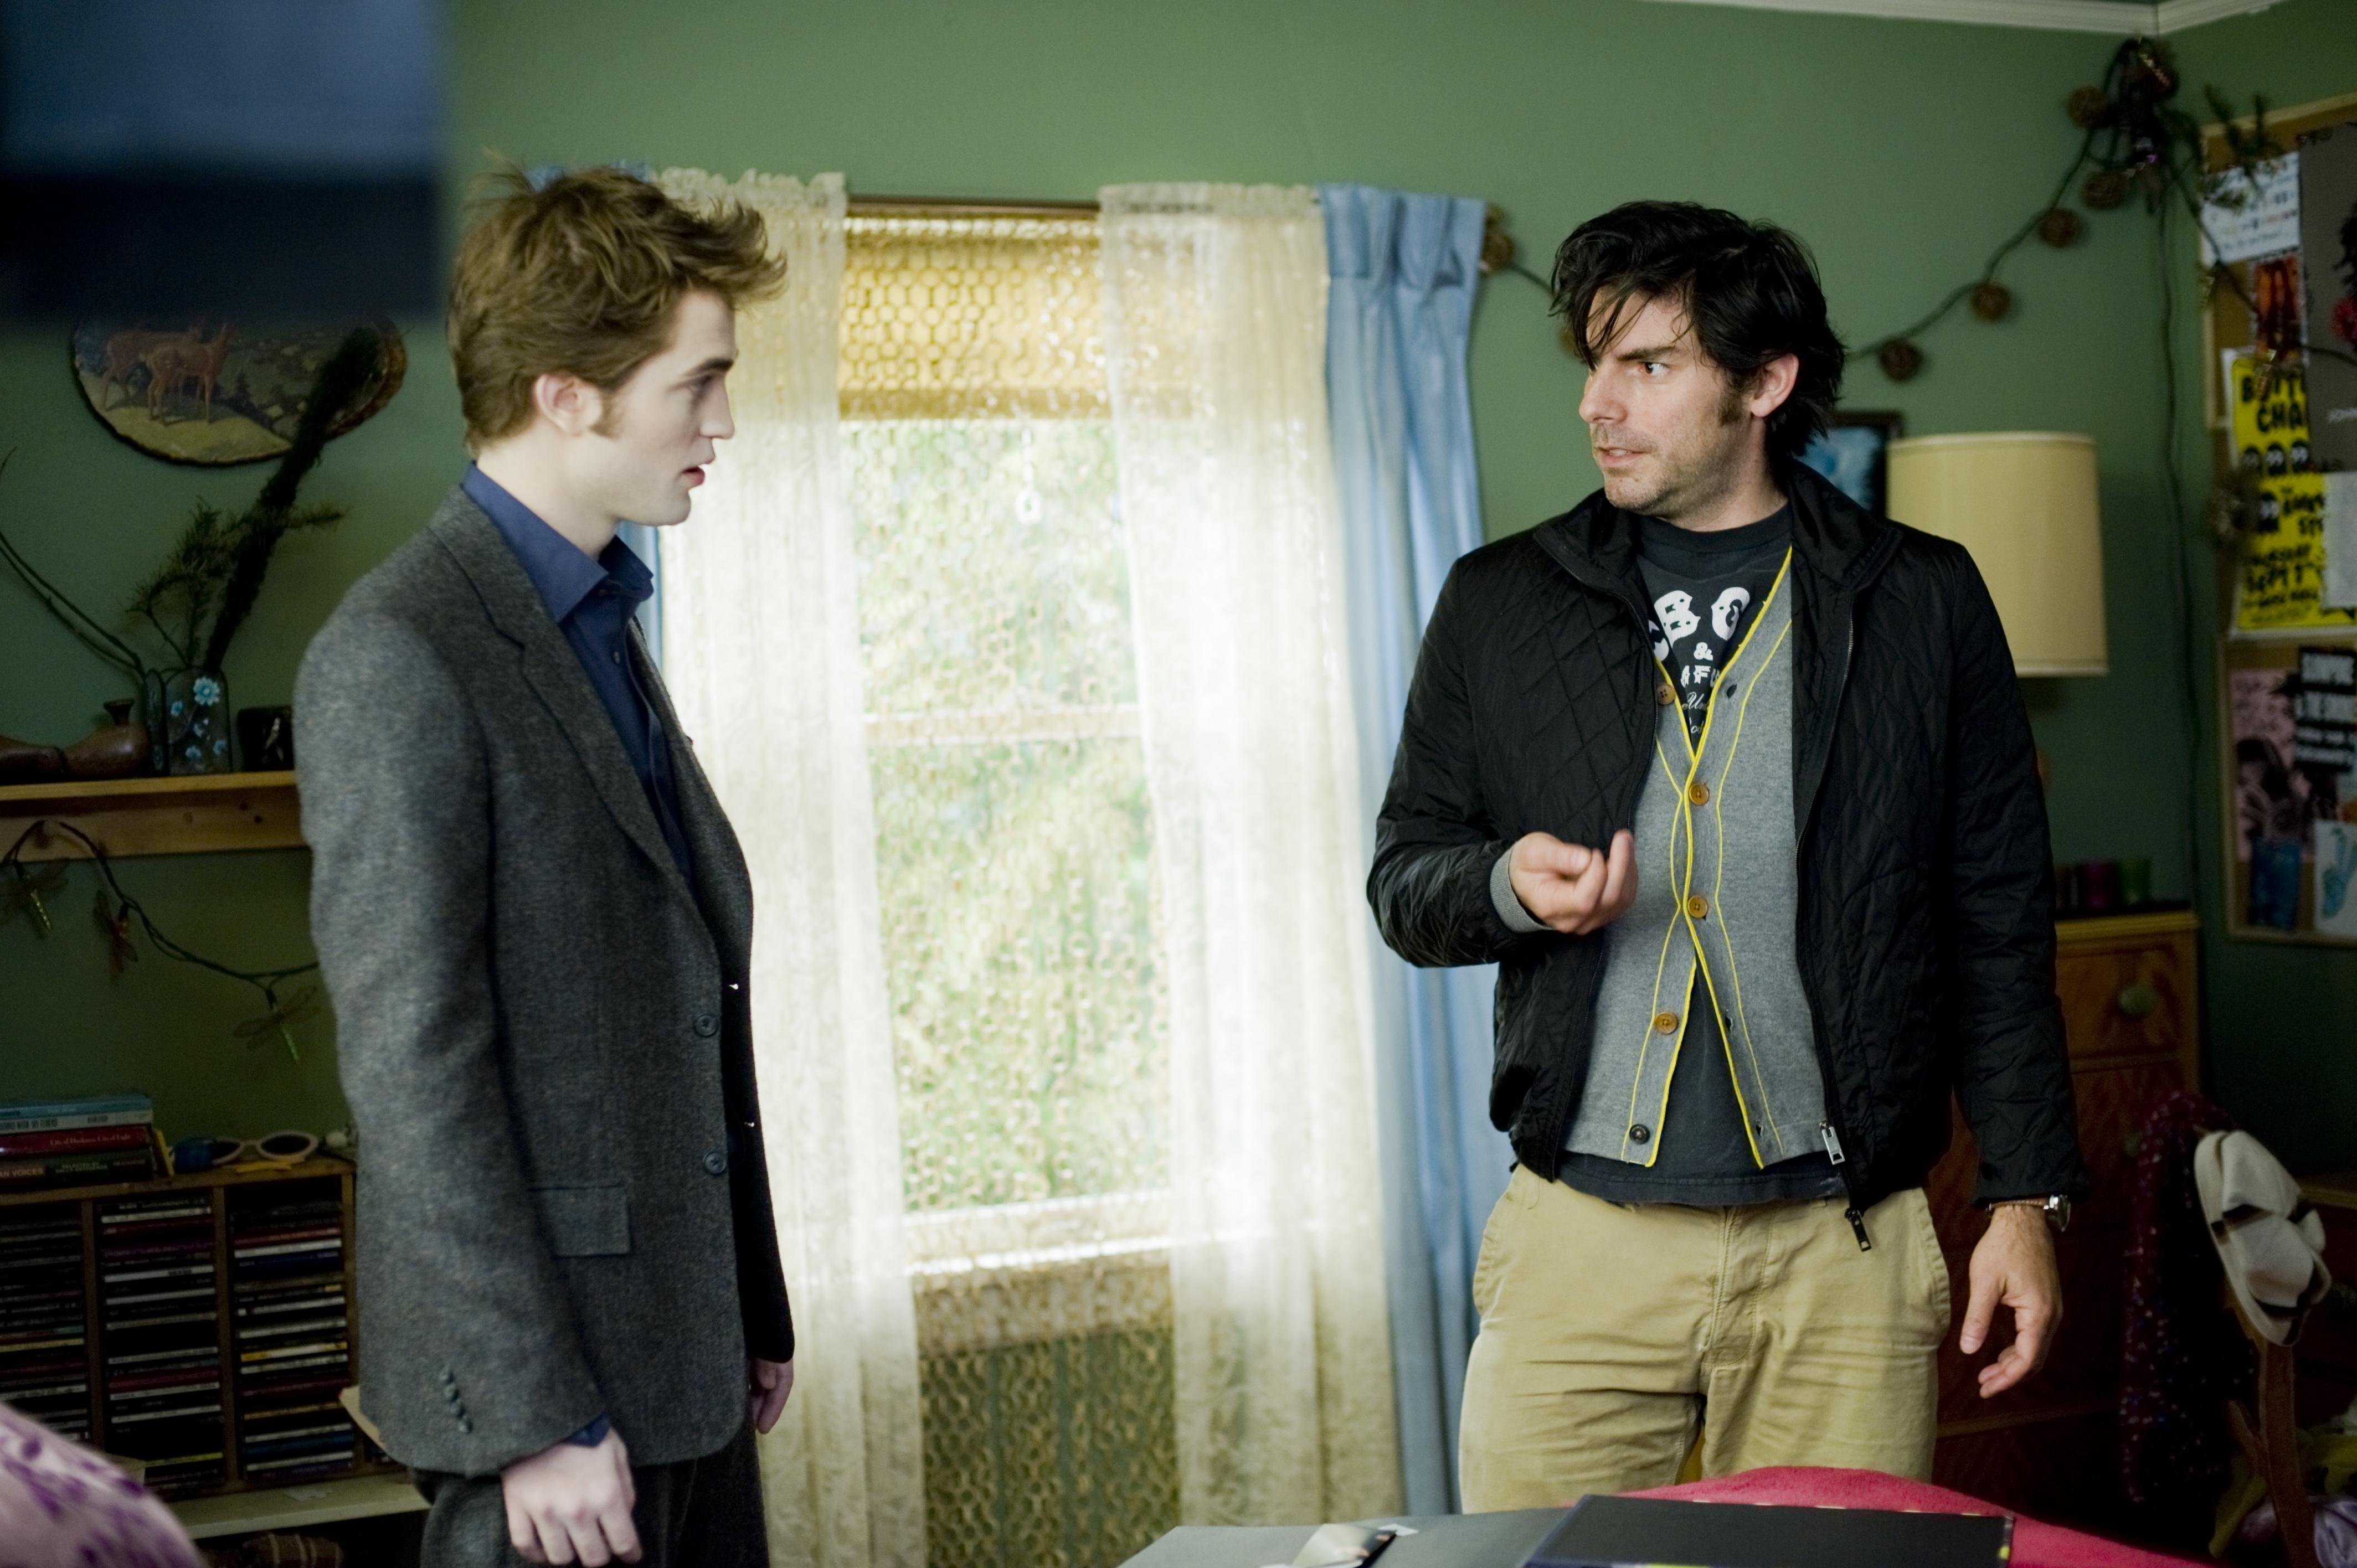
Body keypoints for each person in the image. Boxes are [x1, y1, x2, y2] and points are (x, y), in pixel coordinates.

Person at [1367, 201, 2088, 1508]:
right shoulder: (1497, 602)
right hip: (1578, 1248)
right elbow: (1405, 880)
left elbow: (1996, 920)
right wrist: (1502, 885)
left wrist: (2026, 1199)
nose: (1596, 404)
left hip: (1843, 1258)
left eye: (1647, 365)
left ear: (1764, 383)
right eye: (1594, 362)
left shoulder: (1921, 600)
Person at [298, 167, 794, 1567]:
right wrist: (535, 1417)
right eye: (698, 382)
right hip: (552, 1428)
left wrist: (747, 1305)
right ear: (566, 395)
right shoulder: (400, 652)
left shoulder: (595, 615)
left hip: (686, 1370)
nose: (723, 420)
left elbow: (675, 998)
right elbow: (414, 1071)